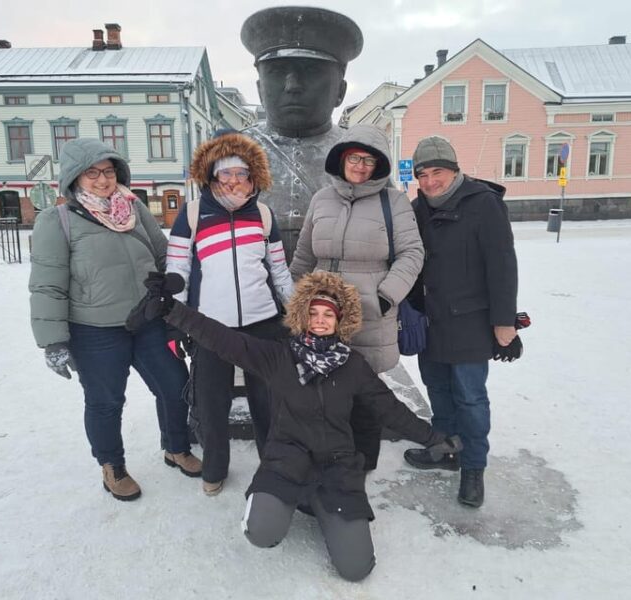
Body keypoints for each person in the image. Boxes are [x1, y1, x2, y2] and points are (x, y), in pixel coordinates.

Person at [128, 270, 459, 581]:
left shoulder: (354, 366)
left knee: (356, 568)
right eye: (314, 313)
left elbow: (390, 410)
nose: (319, 320)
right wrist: (172, 310)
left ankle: (318, 504)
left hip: (337, 467)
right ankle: (283, 503)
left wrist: (432, 438)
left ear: (340, 320)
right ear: (303, 317)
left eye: (328, 314)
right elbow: (223, 339)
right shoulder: (279, 357)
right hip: (287, 460)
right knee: (261, 534)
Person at [29, 138, 200, 502]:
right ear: (75, 178)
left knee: (175, 385)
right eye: (92, 173)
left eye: (108, 171)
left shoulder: (134, 208)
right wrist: (53, 341)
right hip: (95, 330)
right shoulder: (57, 221)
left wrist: (172, 284)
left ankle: (176, 447)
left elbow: (161, 254)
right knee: (106, 400)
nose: (103, 180)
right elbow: (47, 285)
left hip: (148, 320)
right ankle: (112, 466)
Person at [165, 130, 294, 496]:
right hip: (210, 326)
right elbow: (178, 273)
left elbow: (280, 272)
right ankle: (215, 467)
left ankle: (273, 466)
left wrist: (297, 312)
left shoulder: (264, 215)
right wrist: (176, 324)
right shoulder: (191, 215)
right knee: (211, 402)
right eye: (226, 173)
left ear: (253, 177)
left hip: (264, 324)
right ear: (212, 175)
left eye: (242, 174)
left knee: (268, 401)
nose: (235, 181)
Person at [290, 124, 424, 469]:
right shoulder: (321, 198)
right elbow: (304, 254)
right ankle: (327, 458)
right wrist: (293, 300)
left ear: (379, 165)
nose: (361, 165)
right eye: (355, 157)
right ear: (342, 158)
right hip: (321, 313)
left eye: (369, 159)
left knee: (364, 394)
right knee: (322, 392)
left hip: (370, 312)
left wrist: (385, 296)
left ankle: (362, 464)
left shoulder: (393, 201)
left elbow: (412, 253)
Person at [403, 136, 519, 509]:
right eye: (423, 174)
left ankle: (473, 467)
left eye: (438, 172)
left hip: (469, 321)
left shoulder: (483, 204)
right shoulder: (416, 209)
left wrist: (505, 321)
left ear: (454, 171)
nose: (430, 181)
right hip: (430, 321)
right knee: (436, 388)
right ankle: (446, 447)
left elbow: (502, 265)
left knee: (470, 397)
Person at [240, 6, 363, 261]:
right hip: (255, 295)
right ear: (260, 89)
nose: (292, 85)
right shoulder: (232, 153)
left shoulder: (362, 155)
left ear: (340, 90)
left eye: (310, 71)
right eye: (276, 72)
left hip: (333, 295)